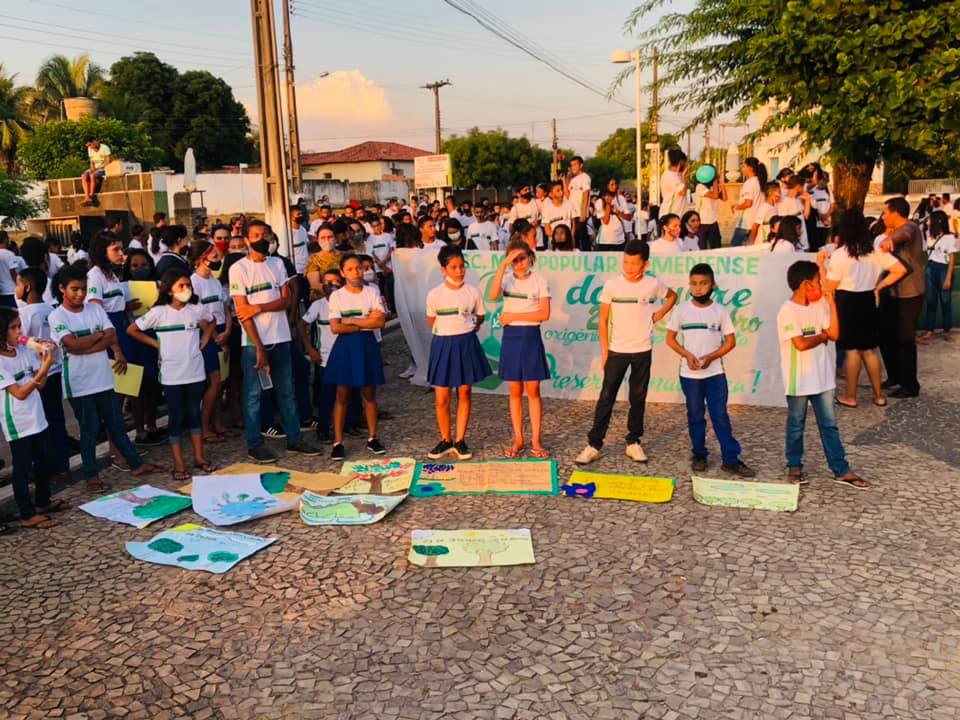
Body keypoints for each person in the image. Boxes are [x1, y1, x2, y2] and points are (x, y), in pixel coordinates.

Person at [49, 264, 160, 492]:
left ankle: (135, 463)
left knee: (116, 423)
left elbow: (110, 335)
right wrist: (99, 339)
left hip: (103, 378)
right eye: (74, 289)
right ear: (62, 289)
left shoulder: (95, 310)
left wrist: (97, 344)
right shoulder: (57, 316)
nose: (80, 294)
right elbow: (71, 344)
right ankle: (91, 476)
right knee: (89, 430)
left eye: (83, 289)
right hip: (79, 383)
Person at [576, 240, 677, 465]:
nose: (629, 267)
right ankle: (594, 444)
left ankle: (633, 442)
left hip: (643, 350)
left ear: (645, 264)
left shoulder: (653, 284)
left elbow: (673, 296)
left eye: (634, 263)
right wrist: (605, 351)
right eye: (625, 262)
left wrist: (660, 313)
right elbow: (602, 321)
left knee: (638, 398)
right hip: (616, 351)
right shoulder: (612, 285)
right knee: (606, 398)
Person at [229, 220, 322, 462]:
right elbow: (242, 313)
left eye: (265, 234)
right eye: (257, 235)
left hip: (280, 337)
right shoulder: (239, 269)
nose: (262, 239)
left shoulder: (277, 263)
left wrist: (258, 306)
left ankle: (295, 439)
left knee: (286, 390)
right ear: (247, 240)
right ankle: (254, 443)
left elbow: (286, 300)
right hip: (254, 342)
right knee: (254, 395)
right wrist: (258, 346)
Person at [777, 260, 867, 489]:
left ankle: (841, 469)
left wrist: (832, 304)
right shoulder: (787, 311)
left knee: (829, 424)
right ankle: (794, 466)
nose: (822, 285)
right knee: (796, 424)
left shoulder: (820, 305)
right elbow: (801, 344)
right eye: (818, 281)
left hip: (824, 378)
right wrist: (821, 336)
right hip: (799, 380)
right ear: (806, 284)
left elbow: (835, 333)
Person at [665, 263, 754, 475]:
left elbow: (730, 342)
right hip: (689, 375)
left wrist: (711, 357)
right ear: (689, 285)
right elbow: (670, 339)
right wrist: (686, 354)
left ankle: (730, 459)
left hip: (715, 373)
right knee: (695, 414)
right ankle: (699, 454)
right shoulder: (681, 310)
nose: (698, 288)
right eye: (694, 284)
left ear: (712, 285)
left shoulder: (720, 311)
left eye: (703, 284)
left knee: (720, 415)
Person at [129, 269, 217, 481]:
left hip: (195, 371)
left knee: (194, 414)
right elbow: (133, 329)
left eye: (188, 285)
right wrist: (156, 344)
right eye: (181, 286)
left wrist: (205, 338)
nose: (186, 289)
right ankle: (179, 462)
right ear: (169, 290)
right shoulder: (159, 312)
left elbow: (211, 320)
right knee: (176, 417)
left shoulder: (196, 309)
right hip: (172, 375)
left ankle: (199, 457)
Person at [824, 209, 907, 408]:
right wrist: (879, 285)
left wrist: (821, 266)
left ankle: (850, 396)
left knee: (852, 351)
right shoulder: (875, 250)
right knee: (869, 350)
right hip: (869, 299)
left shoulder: (840, 254)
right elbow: (900, 270)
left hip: (847, 301)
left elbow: (829, 287)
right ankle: (879, 395)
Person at [424, 245, 490, 460]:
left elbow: (480, 316)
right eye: (454, 267)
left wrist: (467, 327)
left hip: (466, 343)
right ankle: (445, 439)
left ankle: (460, 440)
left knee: (464, 393)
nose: (459, 271)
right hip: (443, 344)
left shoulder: (473, 292)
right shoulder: (434, 294)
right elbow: (431, 321)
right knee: (442, 398)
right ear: (444, 269)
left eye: (462, 266)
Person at [487, 240, 551, 458]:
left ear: (530, 257)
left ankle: (536, 440)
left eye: (522, 258)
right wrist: (502, 265)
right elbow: (493, 295)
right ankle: (518, 438)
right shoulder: (505, 279)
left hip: (531, 336)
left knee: (533, 390)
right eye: (514, 259)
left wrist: (514, 316)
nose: (519, 263)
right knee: (514, 391)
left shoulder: (540, 280)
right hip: (511, 338)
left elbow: (544, 314)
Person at [0, 308, 60, 530]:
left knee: (44, 462)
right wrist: (44, 367)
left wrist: (44, 359)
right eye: (12, 328)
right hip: (19, 423)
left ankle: (43, 503)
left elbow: (40, 384)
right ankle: (27, 513)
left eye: (19, 326)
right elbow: (19, 393)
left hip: (37, 417)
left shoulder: (24, 352)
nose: (19, 332)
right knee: (23, 468)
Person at [325, 253, 387, 461]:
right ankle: (338, 441)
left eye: (358, 268)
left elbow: (379, 322)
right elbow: (335, 327)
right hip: (346, 347)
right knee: (342, 394)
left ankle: (372, 437)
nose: (356, 272)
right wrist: (364, 321)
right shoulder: (337, 296)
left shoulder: (372, 291)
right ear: (342, 273)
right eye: (350, 269)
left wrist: (351, 320)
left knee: (369, 393)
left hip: (367, 345)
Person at [16, 268, 69, 477]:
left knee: (38, 421)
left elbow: (20, 341)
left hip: (36, 375)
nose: (16, 289)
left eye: (18, 284)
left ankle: (42, 466)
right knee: (56, 418)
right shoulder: (51, 310)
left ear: (27, 287)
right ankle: (62, 465)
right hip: (55, 370)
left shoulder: (24, 315)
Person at [878, 197, 925, 398]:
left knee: (905, 339)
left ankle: (910, 385)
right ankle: (895, 376)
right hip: (892, 292)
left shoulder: (910, 228)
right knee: (887, 335)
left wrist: (891, 240)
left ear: (896, 213)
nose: (883, 216)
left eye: (885, 212)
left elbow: (903, 236)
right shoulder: (890, 230)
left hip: (910, 292)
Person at [190, 240, 233, 442]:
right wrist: (215, 336)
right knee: (213, 381)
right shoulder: (194, 283)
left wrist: (228, 331)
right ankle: (203, 426)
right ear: (201, 259)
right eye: (214, 257)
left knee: (222, 382)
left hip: (223, 330)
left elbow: (225, 307)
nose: (218, 260)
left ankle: (216, 422)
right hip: (207, 335)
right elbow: (197, 315)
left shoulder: (214, 281)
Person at [120, 249, 165, 446]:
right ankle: (139, 430)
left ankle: (152, 425)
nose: (140, 269)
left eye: (144, 265)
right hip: (132, 338)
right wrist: (125, 306)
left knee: (152, 385)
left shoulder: (159, 285)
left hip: (153, 336)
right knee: (135, 387)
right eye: (135, 266)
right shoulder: (122, 288)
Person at [917, 210, 957, 344]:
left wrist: (948, 277)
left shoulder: (949, 238)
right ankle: (929, 330)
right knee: (931, 300)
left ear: (938, 221)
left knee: (945, 301)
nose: (928, 221)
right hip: (930, 268)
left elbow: (952, 258)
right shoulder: (928, 235)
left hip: (944, 269)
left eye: (930, 219)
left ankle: (946, 330)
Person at [731, 157, 767, 246]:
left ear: (750, 168)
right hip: (756, 220)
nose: (742, 169)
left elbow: (748, 203)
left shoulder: (750, 183)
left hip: (746, 222)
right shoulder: (760, 181)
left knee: (735, 247)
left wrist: (736, 207)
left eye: (744, 166)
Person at [776, 176, 812, 250]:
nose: (804, 189)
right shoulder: (784, 201)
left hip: (802, 233)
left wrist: (807, 201)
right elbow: (784, 222)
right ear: (798, 186)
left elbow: (806, 216)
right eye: (803, 186)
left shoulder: (798, 199)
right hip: (792, 239)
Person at [566, 156, 592, 251]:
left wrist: (583, 212)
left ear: (581, 165)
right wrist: (564, 181)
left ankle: (588, 258)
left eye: (575, 164)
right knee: (574, 237)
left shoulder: (585, 177)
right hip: (572, 214)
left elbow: (586, 194)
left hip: (580, 213)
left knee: (583, 237)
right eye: (571, 165)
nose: (573, 167)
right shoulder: (573, 180)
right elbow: (568, 195)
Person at [694, 171, 726, 249]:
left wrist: (721, 184)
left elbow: (724, 198)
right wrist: (715, 182)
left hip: (713, 222)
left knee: (717, 249)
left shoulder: (714, 187)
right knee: (701, 249)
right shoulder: (700, 187)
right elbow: (715, 196)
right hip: (702, 223)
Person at [81, 138, 111, 206]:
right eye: (88, 146)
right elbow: (91, 161)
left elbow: (109, 160)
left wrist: (99, 168)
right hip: (95, 168)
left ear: (94, 142)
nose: (90, 147)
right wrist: (92, 168)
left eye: (90, 145)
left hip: (103, 168)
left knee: (92, 175)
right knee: (84, 175)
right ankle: (87, 197)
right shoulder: (90, 149)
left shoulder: (104, 148)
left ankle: (91, 196)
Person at [660, 148, 689, 216]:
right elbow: (683, 192)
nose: (686, 165)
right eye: (685, 163)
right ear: (680, 163)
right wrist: (684, 176)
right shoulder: (670, 176)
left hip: (679, 214)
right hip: (670, 215)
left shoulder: (677, 175)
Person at [0, 231, 23, 308]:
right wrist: (20, 285)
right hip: (11, 290)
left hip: (1, 291)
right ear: (5, 239)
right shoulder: (9, 254)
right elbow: (13, 272)